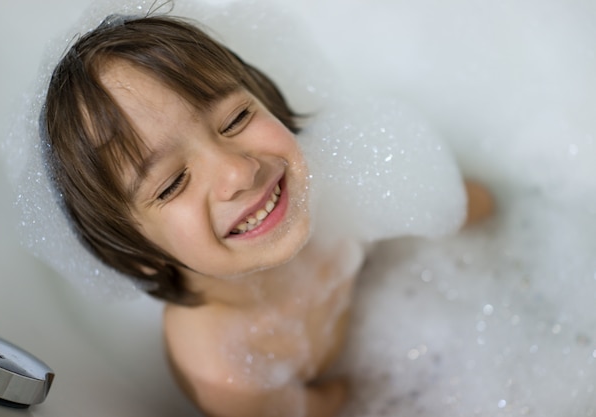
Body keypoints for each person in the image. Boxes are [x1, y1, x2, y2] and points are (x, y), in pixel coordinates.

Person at [41, 14, 493, 417]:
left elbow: (467, 204)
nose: (238, 171)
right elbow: (330, 406)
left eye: (235, 118)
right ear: (139, 254)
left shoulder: (340, 185)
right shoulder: (225, 371)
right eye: (172, 183)